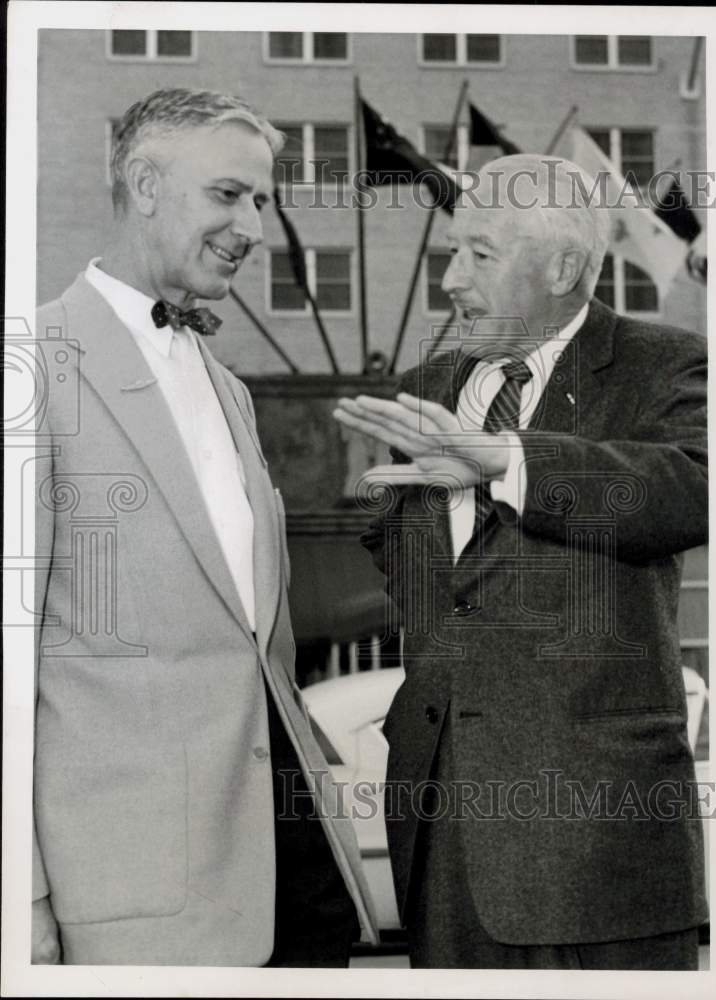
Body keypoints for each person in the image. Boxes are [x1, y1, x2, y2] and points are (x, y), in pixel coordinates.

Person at [334, 154, 708, 969]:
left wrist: (506, 460)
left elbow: (693, 492)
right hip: (441, 832)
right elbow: (397, 543)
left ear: (564, 266)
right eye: (450, 253)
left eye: (479, 254)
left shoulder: (666, 363)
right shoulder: (426, 384)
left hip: (599, 844)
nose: (451, 281)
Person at [32, 87, 377, 967]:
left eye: (260, 199)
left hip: (294, 875)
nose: (255, 226)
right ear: (144, 185)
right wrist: (23, 898)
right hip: (132, 905)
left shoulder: (230, 388)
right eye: (229, 195)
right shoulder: (31, 367)